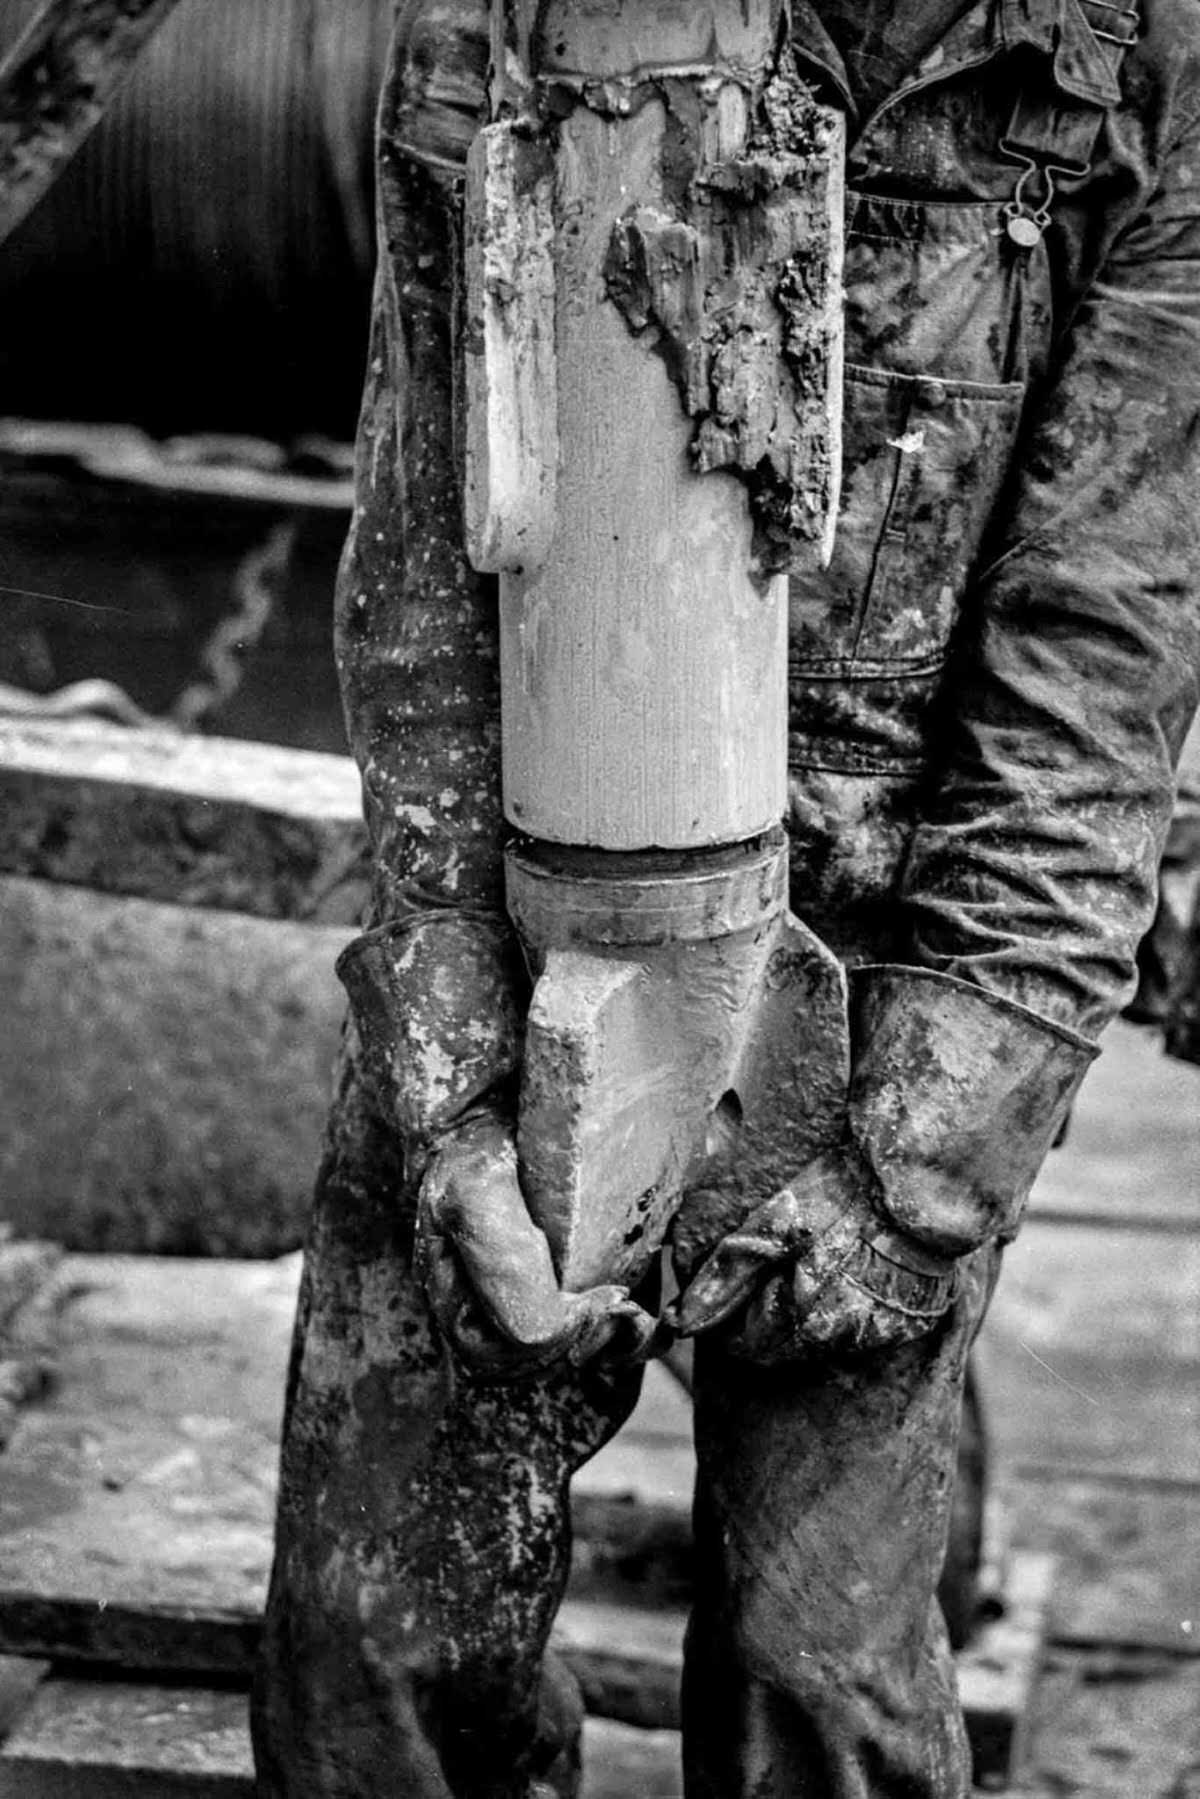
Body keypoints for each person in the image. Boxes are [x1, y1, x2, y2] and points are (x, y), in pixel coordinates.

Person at [250, 0, 1200, 1793]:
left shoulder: (1144, 71)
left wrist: (914, 1189)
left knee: (817, 1677)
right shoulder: (515, 19)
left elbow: (1096, 670)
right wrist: (454, 1097)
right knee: (378, 1655)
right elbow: (424, 588)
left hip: (884, 967)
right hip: (532, 911)